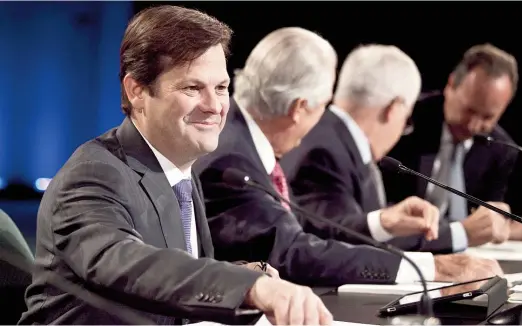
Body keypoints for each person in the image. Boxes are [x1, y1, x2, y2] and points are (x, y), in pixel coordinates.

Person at [20, 6, 332, 326]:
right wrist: (251, 288)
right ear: (137, 91)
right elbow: (126, 262)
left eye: (221, 88)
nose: (215, 106)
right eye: (192, 88)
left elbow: (173, 280)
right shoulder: (93, 173)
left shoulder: (181, 170)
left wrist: (244, 274)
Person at [194, 28, 503, 289]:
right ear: (299, 108)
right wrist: (433, 269)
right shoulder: (231, 163)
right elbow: (292, 253)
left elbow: (302, 230)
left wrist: (383, 222)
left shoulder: (243, 142)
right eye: (323, 104)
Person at [282, 44, 451, 252]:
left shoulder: (336, 139)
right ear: (393, 109)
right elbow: (339, 239)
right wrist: (459, 234)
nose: (401, 131)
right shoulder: (324, 152)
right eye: (406, 120)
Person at [382, 44, 517, 248]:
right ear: (451, 85)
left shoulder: (502, 149)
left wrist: (506, 226)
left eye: (488, 117)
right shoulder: (405, 121)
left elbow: (489, 221)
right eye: (469, 110)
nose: (474, 125)